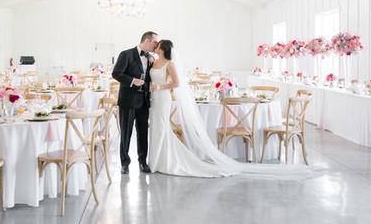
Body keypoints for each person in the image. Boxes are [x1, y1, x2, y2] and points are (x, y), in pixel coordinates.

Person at [148, 39, 311, 179]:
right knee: (156, 129)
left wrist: (159, 86)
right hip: (154, 99)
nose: (156, 46)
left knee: (162, 128)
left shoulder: (170, 64)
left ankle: (165, 161)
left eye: (158, 44)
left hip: (163, 98)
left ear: (163, 48)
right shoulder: (154, 62)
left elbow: (176, 84)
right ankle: (156, 160)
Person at [112, 31, 159, 174]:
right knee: (126, 133)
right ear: (147, 40)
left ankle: (142, 162)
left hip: (144, 101)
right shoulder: (126, 54)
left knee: (143, 133)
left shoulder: (151, 58)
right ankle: (124, 163)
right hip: (128, 100)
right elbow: (116, 73)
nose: (156, 45)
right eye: (155, 42)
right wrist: (132, 81)